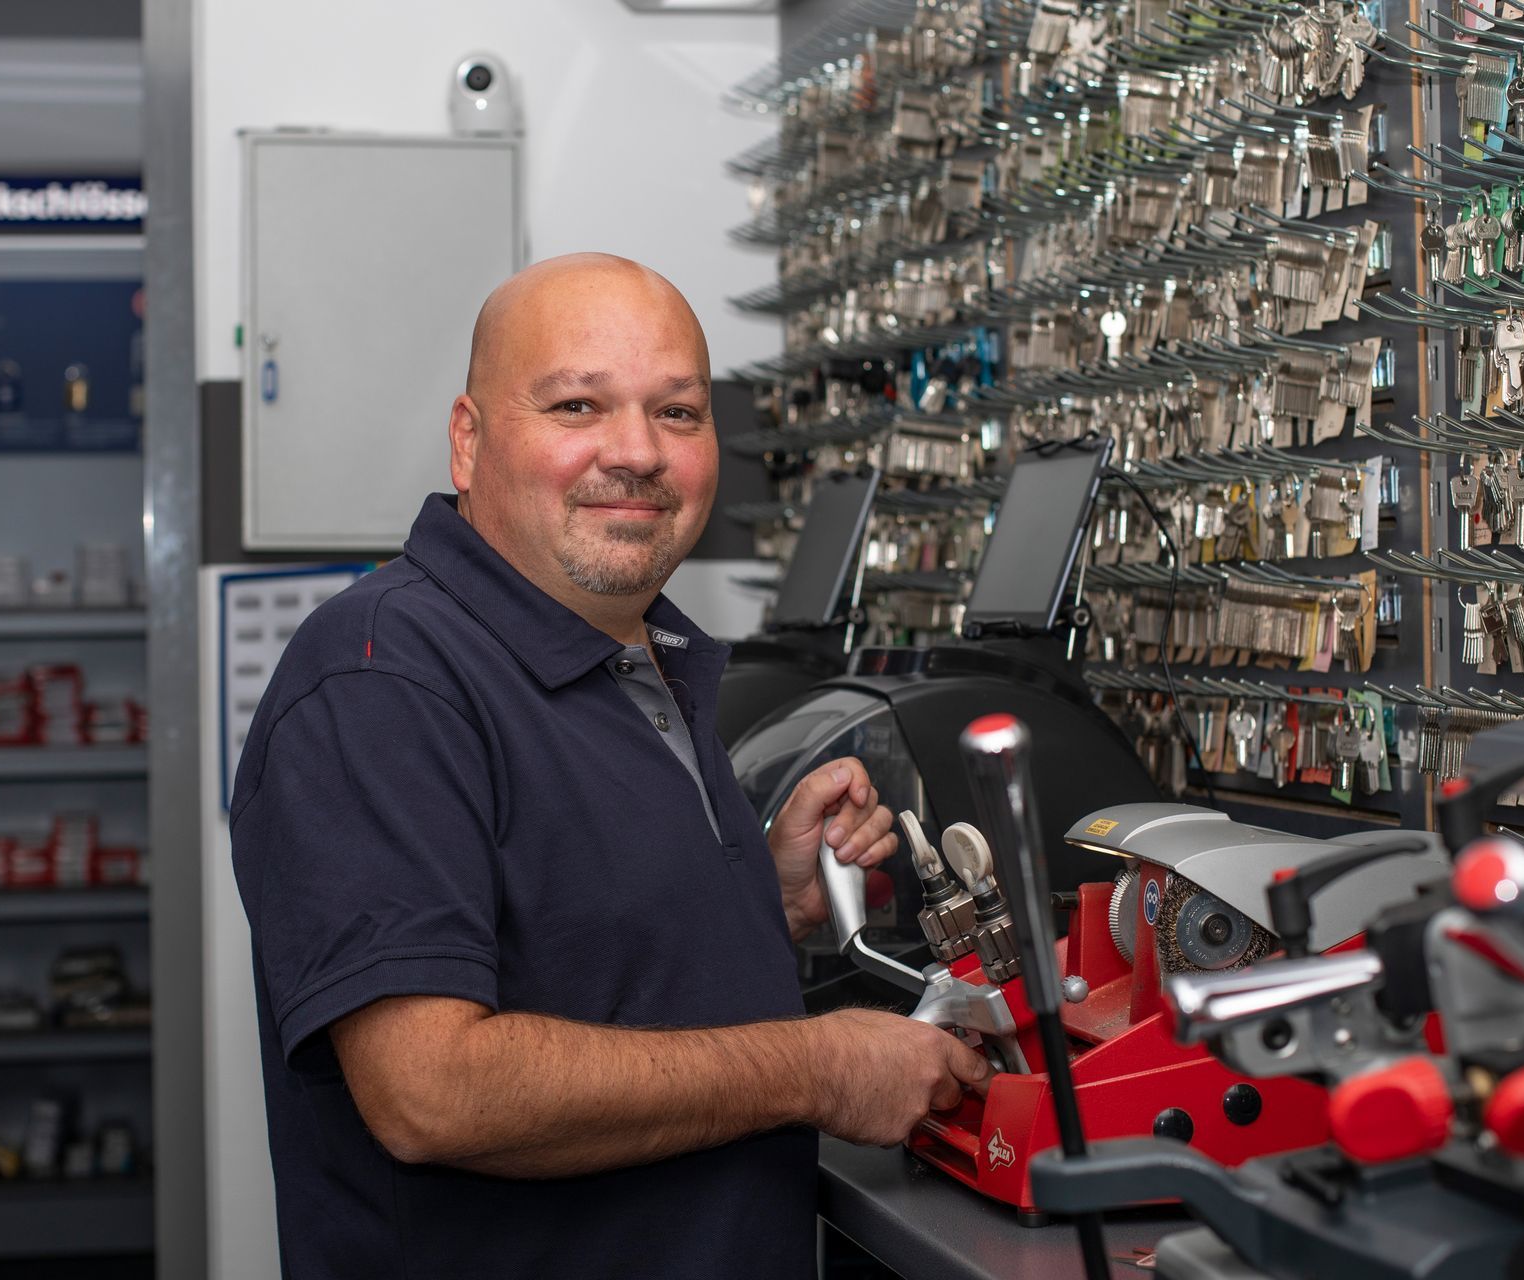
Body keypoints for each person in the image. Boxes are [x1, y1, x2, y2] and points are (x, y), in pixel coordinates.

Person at [229, 253, 991, 1279]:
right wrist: (819, 1065)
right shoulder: (382, 677)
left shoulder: (633, 654)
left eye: (677, 412)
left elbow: (567, 948)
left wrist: (759, 904)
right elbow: (432, 1090)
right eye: (577, 405)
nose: (636, 453)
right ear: (469, 440)